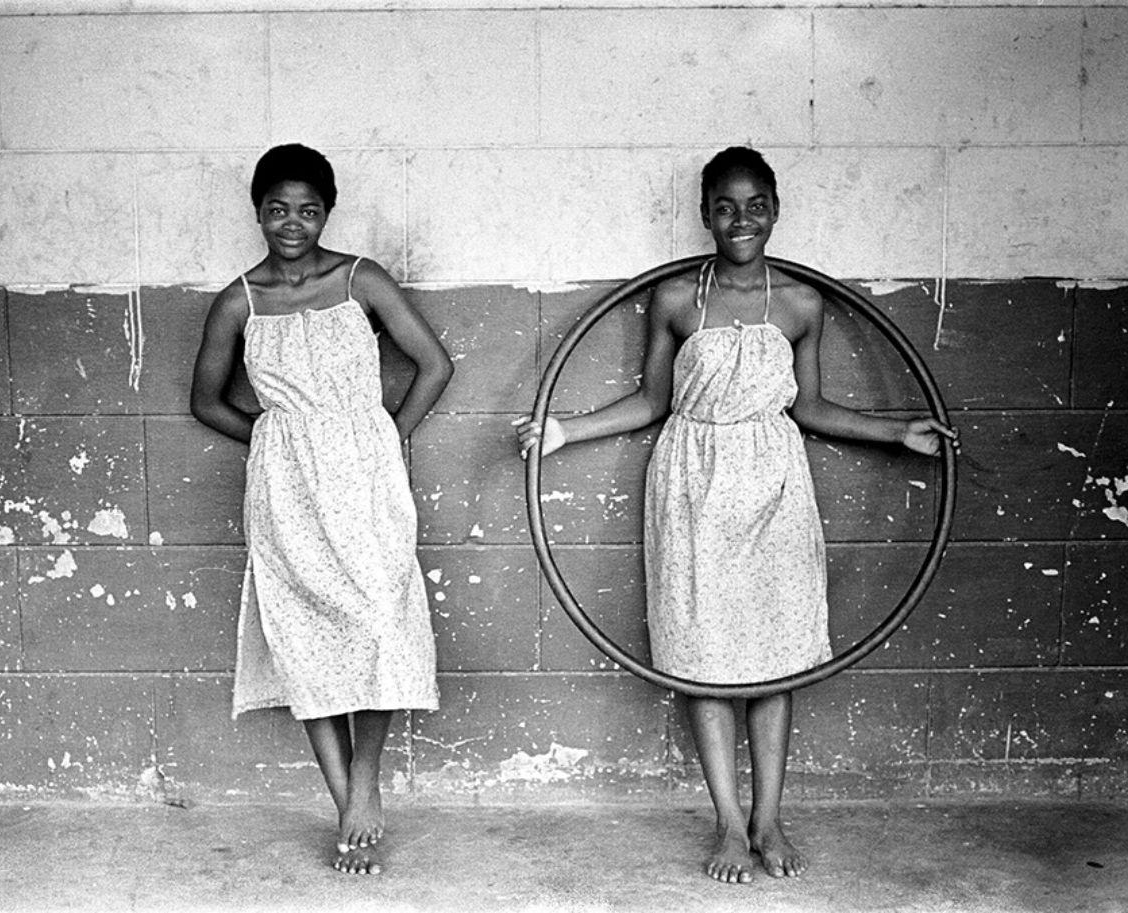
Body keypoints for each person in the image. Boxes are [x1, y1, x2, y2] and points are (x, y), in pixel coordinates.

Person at [516, 147, 957, 884]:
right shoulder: (678, 300)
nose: (741, 219)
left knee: (773, 658)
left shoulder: (801, 304)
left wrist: (898, 431)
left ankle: (769, 816)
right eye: (725, 205)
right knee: (703, 657)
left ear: (776, 209)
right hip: (692, 482)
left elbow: (811, 407)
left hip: (774, 482)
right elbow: (653, 401)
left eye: (755, 204)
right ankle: (727, 819)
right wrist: (564, 430)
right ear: (705, 214)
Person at [191, 143, 453, 876]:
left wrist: (383, 437)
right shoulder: (238, 300)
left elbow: (435, 364)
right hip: (285, 488)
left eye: (307, 209)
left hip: (366, 479)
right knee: (303, 636)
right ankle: (347, 802)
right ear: (258, 212)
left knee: (377, 619)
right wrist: (277, 438)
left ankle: (364, 780)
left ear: (327, 211)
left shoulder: (360, 278)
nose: (292, 223)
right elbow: (205, 400)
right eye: (277, 209)